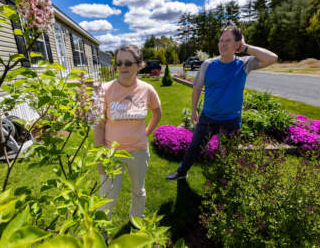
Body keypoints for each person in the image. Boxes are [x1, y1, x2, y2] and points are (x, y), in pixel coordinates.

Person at [166, 25, 278, 181]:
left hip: (231, 120)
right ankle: (182, 172)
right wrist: (193, 110)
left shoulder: (243, 64)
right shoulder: (208, 64)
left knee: (228, 154)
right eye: (221, 40)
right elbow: (197, 87)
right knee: (194, 147)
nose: (222, 44)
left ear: (236, 44)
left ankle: (225, 182)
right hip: (208, 117)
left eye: (228, 40)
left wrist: (245, 47)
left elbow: (272, 58)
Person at [94, 44, 162, 223]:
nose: (122, 67)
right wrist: (100, 157)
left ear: (139, 65)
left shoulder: (147, 90)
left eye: (128, 63)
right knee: (106, 195)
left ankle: (137, 221)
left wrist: (146, 133)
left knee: (138, 190)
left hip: (138, 152)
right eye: (119, 63)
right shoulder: (105, 90)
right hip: (111, 153)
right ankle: (101, 232)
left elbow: (157, 112)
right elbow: (99, 126)